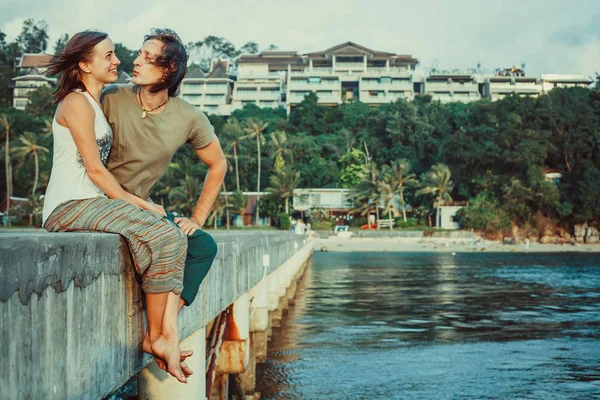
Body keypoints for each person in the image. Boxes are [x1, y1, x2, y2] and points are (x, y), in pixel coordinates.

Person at [42, 31, 190, 383]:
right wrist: (140, 204)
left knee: (171, 236)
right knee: (163, 234)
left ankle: (161, 334)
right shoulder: (76, 102)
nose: (117, 60)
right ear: (84, 64)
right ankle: (156, 337)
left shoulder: (95, 103)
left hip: (90, 202)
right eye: (108, 55)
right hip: (69, 205)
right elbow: (94, 170)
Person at [100, 28, 227, 367]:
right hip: (99, 204)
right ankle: (163, 335)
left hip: (140, 208)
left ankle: (164, 330)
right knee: (170, 239)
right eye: (139, 54)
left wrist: (197, 218)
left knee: (202, 245)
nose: (135, 61)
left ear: (169, 70)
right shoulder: (109, 97)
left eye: (147, 57)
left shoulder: (189, 117)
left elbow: (218, 164)